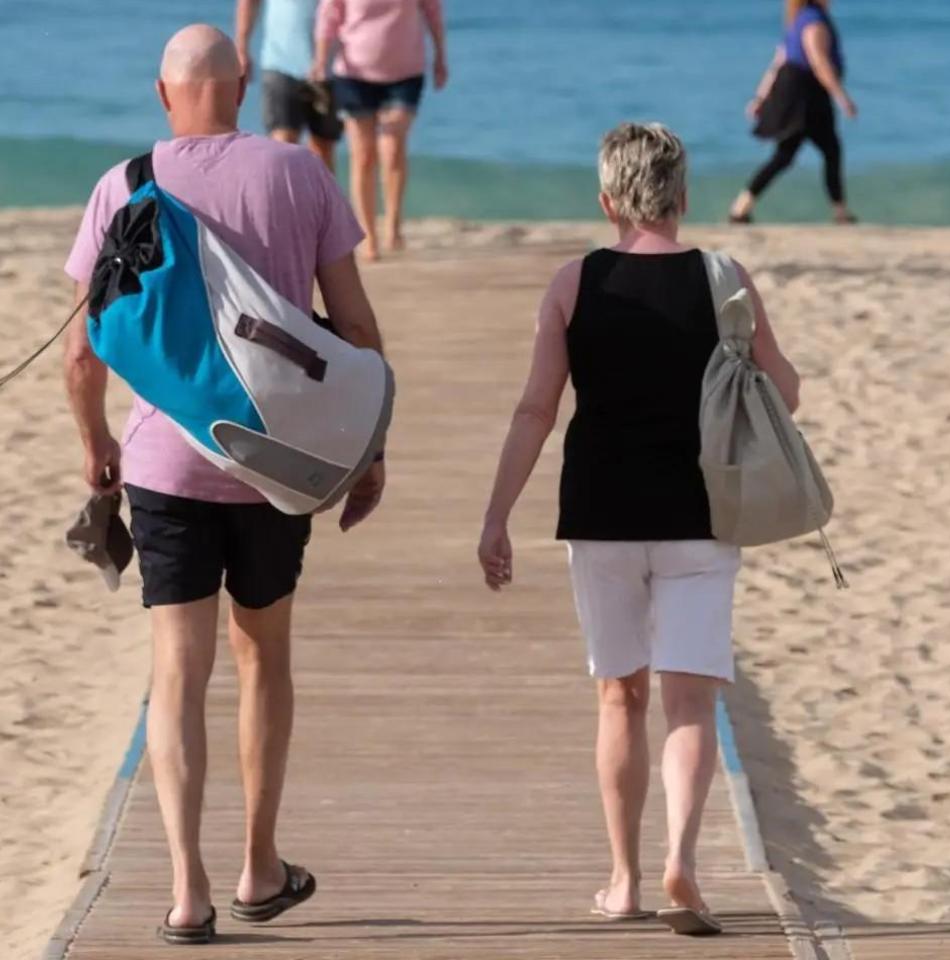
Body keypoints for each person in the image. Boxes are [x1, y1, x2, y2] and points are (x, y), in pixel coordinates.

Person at [61, 24, 388, 946]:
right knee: (263, 657)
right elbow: (357, 329)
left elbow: (82, 351)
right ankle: (259, 865)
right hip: (277, 462)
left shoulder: (124, 184)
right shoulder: (299, 174)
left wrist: (96, 444)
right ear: (242, 87)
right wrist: (368, 453)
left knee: (176, 671)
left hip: (165, 465)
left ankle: (186, 892)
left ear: (164, 94)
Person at [477, 123, 801, 936]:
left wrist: (497, 514)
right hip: (700, 514)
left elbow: (536, 409)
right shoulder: (725, 278)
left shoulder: (574, 282)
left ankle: (623, 883)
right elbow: (786, 391)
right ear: (682, 196)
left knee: (619, 695)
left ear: (607, 202)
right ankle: (682, 864)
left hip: (603, 513)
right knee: (691, 701)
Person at [312, 0, 448, 261]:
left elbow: (432, 11)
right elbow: (328, 16)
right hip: (353, 74)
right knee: (363, 156)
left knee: (392, 149)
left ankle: (393, 224)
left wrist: (440, 56)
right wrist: (320, 60)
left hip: (406, 73)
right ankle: (369, 236)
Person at [729, 0, 857, 225]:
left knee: (796, 153)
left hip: (795, 92)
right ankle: (840, 212)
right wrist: (842, 97)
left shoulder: (798, 19)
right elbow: (819, 62)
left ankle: (741, 207)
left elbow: (778, 62)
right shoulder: (813, 21)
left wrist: (760, 97)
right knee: (813, 152)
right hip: (806, 95)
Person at [234, 0, 342, 170]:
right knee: (282, 144)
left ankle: (319, 189)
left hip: (329, 67)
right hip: (280, 62)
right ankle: (281, 188)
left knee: (322, 150)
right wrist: (242, 47)